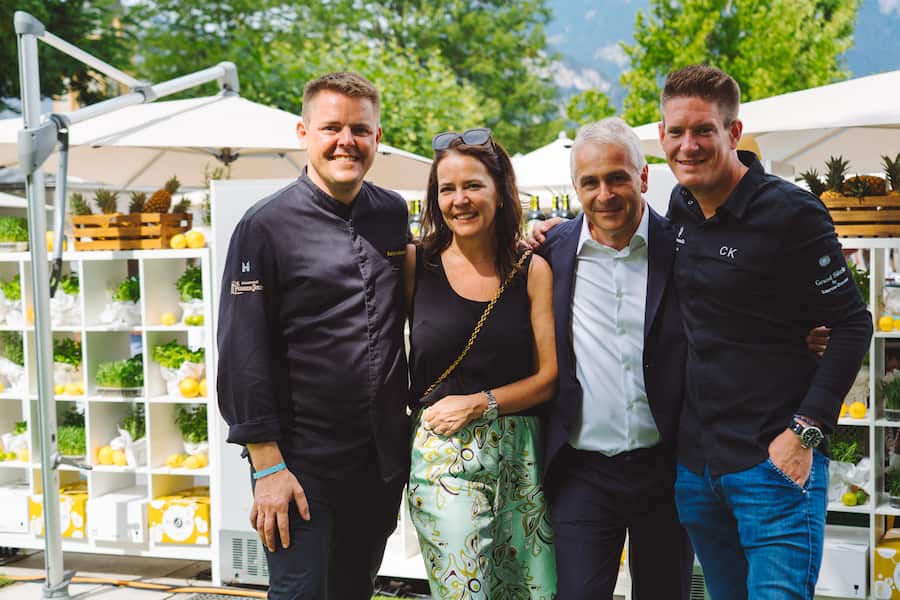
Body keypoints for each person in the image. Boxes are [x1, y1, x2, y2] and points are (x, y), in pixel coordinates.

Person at [658, 65, 872, 599]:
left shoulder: (791, 212)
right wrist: (551, 234)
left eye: (703, 130)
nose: (688, 145)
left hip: (774, 468)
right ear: (662, 136)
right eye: (676, 131)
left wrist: (805, 433)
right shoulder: (679, 207)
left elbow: (852, 323)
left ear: (733, 132)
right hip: (699, 471)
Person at [216, 72, 410, 600]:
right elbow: (242, 354)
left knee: (355, 590)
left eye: (360, 130)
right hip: (299, 466)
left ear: (377, 137)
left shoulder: (392, 213)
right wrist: (268, 468)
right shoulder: (264, 226)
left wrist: (532, 240)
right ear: (304, 133)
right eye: (331, 128)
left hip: (377, 463)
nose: (346, 141)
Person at [533, 117, 694, 599]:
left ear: (643, 177)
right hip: (582, 473)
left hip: (667, 469)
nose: (604, 194)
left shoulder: (684, 247)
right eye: (590, 182)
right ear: (575, 188)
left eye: (617, 177)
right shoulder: (548, 253)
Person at [404, 128, 558, 599]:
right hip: (443, 457)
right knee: (465, 592)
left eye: (473, 185)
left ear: (500, 190)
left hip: (521, 457)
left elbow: (548, 378)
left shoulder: (532, 269)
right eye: (447, 189)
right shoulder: (415, 264)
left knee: (529, 593)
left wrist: (480, 403)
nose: (460, 200)